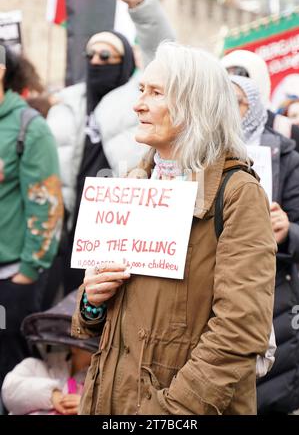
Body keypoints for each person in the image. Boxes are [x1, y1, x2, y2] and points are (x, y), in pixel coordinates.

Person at [71, 42, 276, 415]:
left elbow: (240, 331)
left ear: (193, 105)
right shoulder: (135, 182)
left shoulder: (238, 194)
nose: (138, 104)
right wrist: (91, 302)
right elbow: (104, 318)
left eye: (155, 93)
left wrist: (168, 412)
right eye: (141, 91)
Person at [47, 0, 175, 295]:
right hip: (75, 226)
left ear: (125, 62)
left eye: (107, 55)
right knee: (77, 313)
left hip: (123, 223)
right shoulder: (67, 103)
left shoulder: (138, 98)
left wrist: (140, 5)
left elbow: (166, 54)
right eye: (91, 54)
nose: (96, 61)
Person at [229, 74, 299, 414]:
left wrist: (288, 230)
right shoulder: (192, 153)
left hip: (274, 294)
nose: (227, 111)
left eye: (237, 103)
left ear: (254, 107)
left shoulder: (286, 156)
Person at [0, 45, 64, 390]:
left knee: (8, 367)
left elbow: (47, 206)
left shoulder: (29, 128)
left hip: (11, 279)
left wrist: (26, 273)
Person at [1, 291, 96, 415]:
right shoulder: (38, 366)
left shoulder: (103, 382)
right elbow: (9, 391)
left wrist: (88, 407)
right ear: (74, 347)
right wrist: (51, 394)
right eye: (91, 345)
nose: (98, 352)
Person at [221, 50, 299, 153]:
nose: (234, 82)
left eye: (240, 74)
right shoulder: (218, 136)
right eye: (226, 76)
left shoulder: (285, 129)